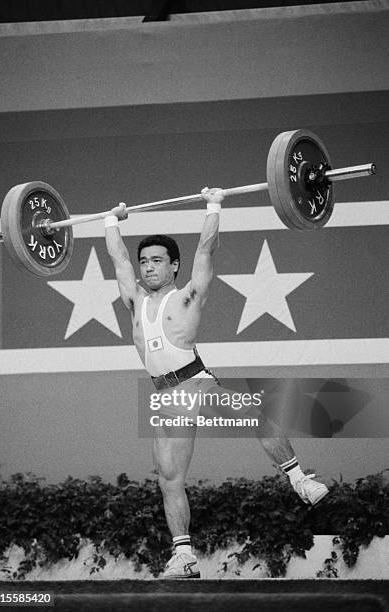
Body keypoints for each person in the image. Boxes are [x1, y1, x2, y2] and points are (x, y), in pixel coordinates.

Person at [104, 188, 328, 579]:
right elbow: (118, 258)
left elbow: (206, 251)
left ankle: (300, 480)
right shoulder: (134, 301)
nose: (148, 267)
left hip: (195, 386)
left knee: (256, 415)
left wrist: (213, 205)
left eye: (157, 261)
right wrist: (111, 220)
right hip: (165, 398)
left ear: (174, 266)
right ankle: (184, 557)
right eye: (145, 262)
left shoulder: (188, 296)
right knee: (168, 478)